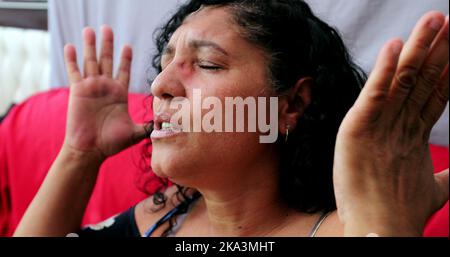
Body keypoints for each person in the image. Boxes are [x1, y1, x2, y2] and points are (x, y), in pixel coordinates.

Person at [14, 0, 449, 237]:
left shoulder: (355, 228)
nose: (160, 86)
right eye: (165, 65)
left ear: (292, 105)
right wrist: (78, 154)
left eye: (206, 65)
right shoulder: (159, 222)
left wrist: (384, 227)